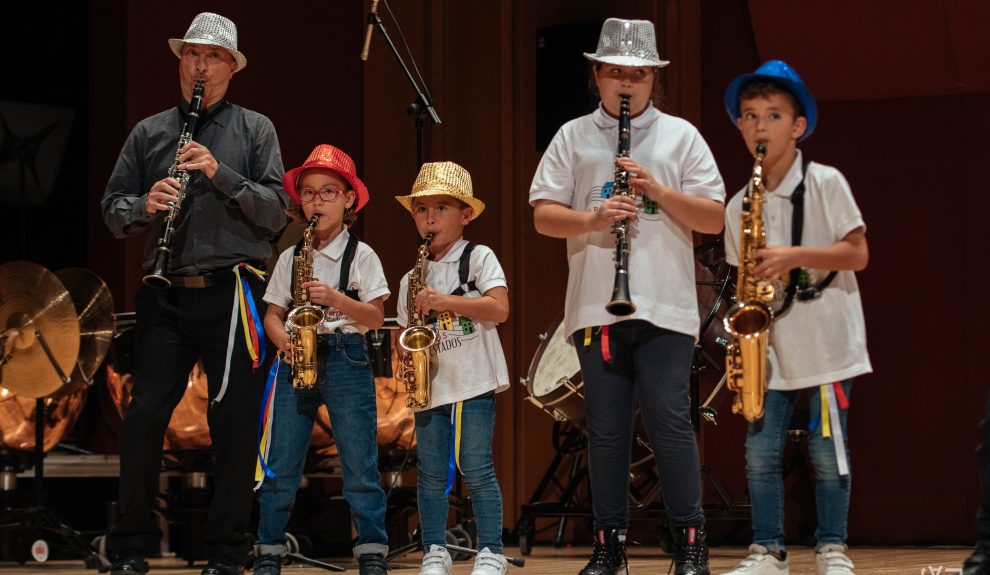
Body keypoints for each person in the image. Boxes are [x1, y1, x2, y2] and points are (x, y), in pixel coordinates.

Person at [530, 17, 725, 575]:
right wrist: (594, 217)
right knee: (608, 430)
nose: (626, 83)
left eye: (638, 74)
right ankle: (608, 546)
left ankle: (690, 541)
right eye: (616, 72)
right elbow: (544, 216)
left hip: (665, 306)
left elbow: (712, 217)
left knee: (669, 420)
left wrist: (656, 190)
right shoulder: (573, 136)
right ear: (598, 75)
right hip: (597, 304)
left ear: (652, 79)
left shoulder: (681, 135)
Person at [101, 12, 287, 575]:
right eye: (191, 55)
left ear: (231, 68)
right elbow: (112, 211)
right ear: (181, 63)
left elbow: (277, 212)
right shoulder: (151, 132)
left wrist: (220, 173)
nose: (199, 66)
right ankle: (132, 546)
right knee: (143, 417)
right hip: (167, 290)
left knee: (233, 422)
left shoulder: (256, 130)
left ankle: (228, 553)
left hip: (233, 292)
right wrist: (143, 206)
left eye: (212, 56)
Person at [719, 60, 871, 575]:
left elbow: (857, 254)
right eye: (749, 116)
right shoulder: (740, 204)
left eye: (773, 115)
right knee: (759, 454)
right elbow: (745, 283)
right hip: (772, 344)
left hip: (828, 340)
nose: (760, 127)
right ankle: (769, 550)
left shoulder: (826, 182)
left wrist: (791, 257)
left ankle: (832, 545)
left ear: (798, 125)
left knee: (829, 454)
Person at [251, 144, 391, 575]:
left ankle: (370, 550)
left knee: (360, 465)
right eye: (309, 193)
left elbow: (375, 317)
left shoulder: (361, 255)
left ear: (348, 200)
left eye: (329, 192)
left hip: (347, 357)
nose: (317, 201)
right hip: (298, 359)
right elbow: (272, 316)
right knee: (281, 464)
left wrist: (334, 298)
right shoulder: (292, 257)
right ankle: (269, 551)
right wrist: (284, 343)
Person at [394, 161, 511, 575]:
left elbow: (499, 309)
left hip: (473, 380)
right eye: (422, 209)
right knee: (428, 475)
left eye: (441, 208)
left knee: (476, 466)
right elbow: (408, 335)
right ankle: (434, 549)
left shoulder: (478, 257)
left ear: (465, 215)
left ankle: (492, 550)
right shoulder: (412, 276)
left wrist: (446, 302)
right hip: (433, 386)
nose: (430, 217)